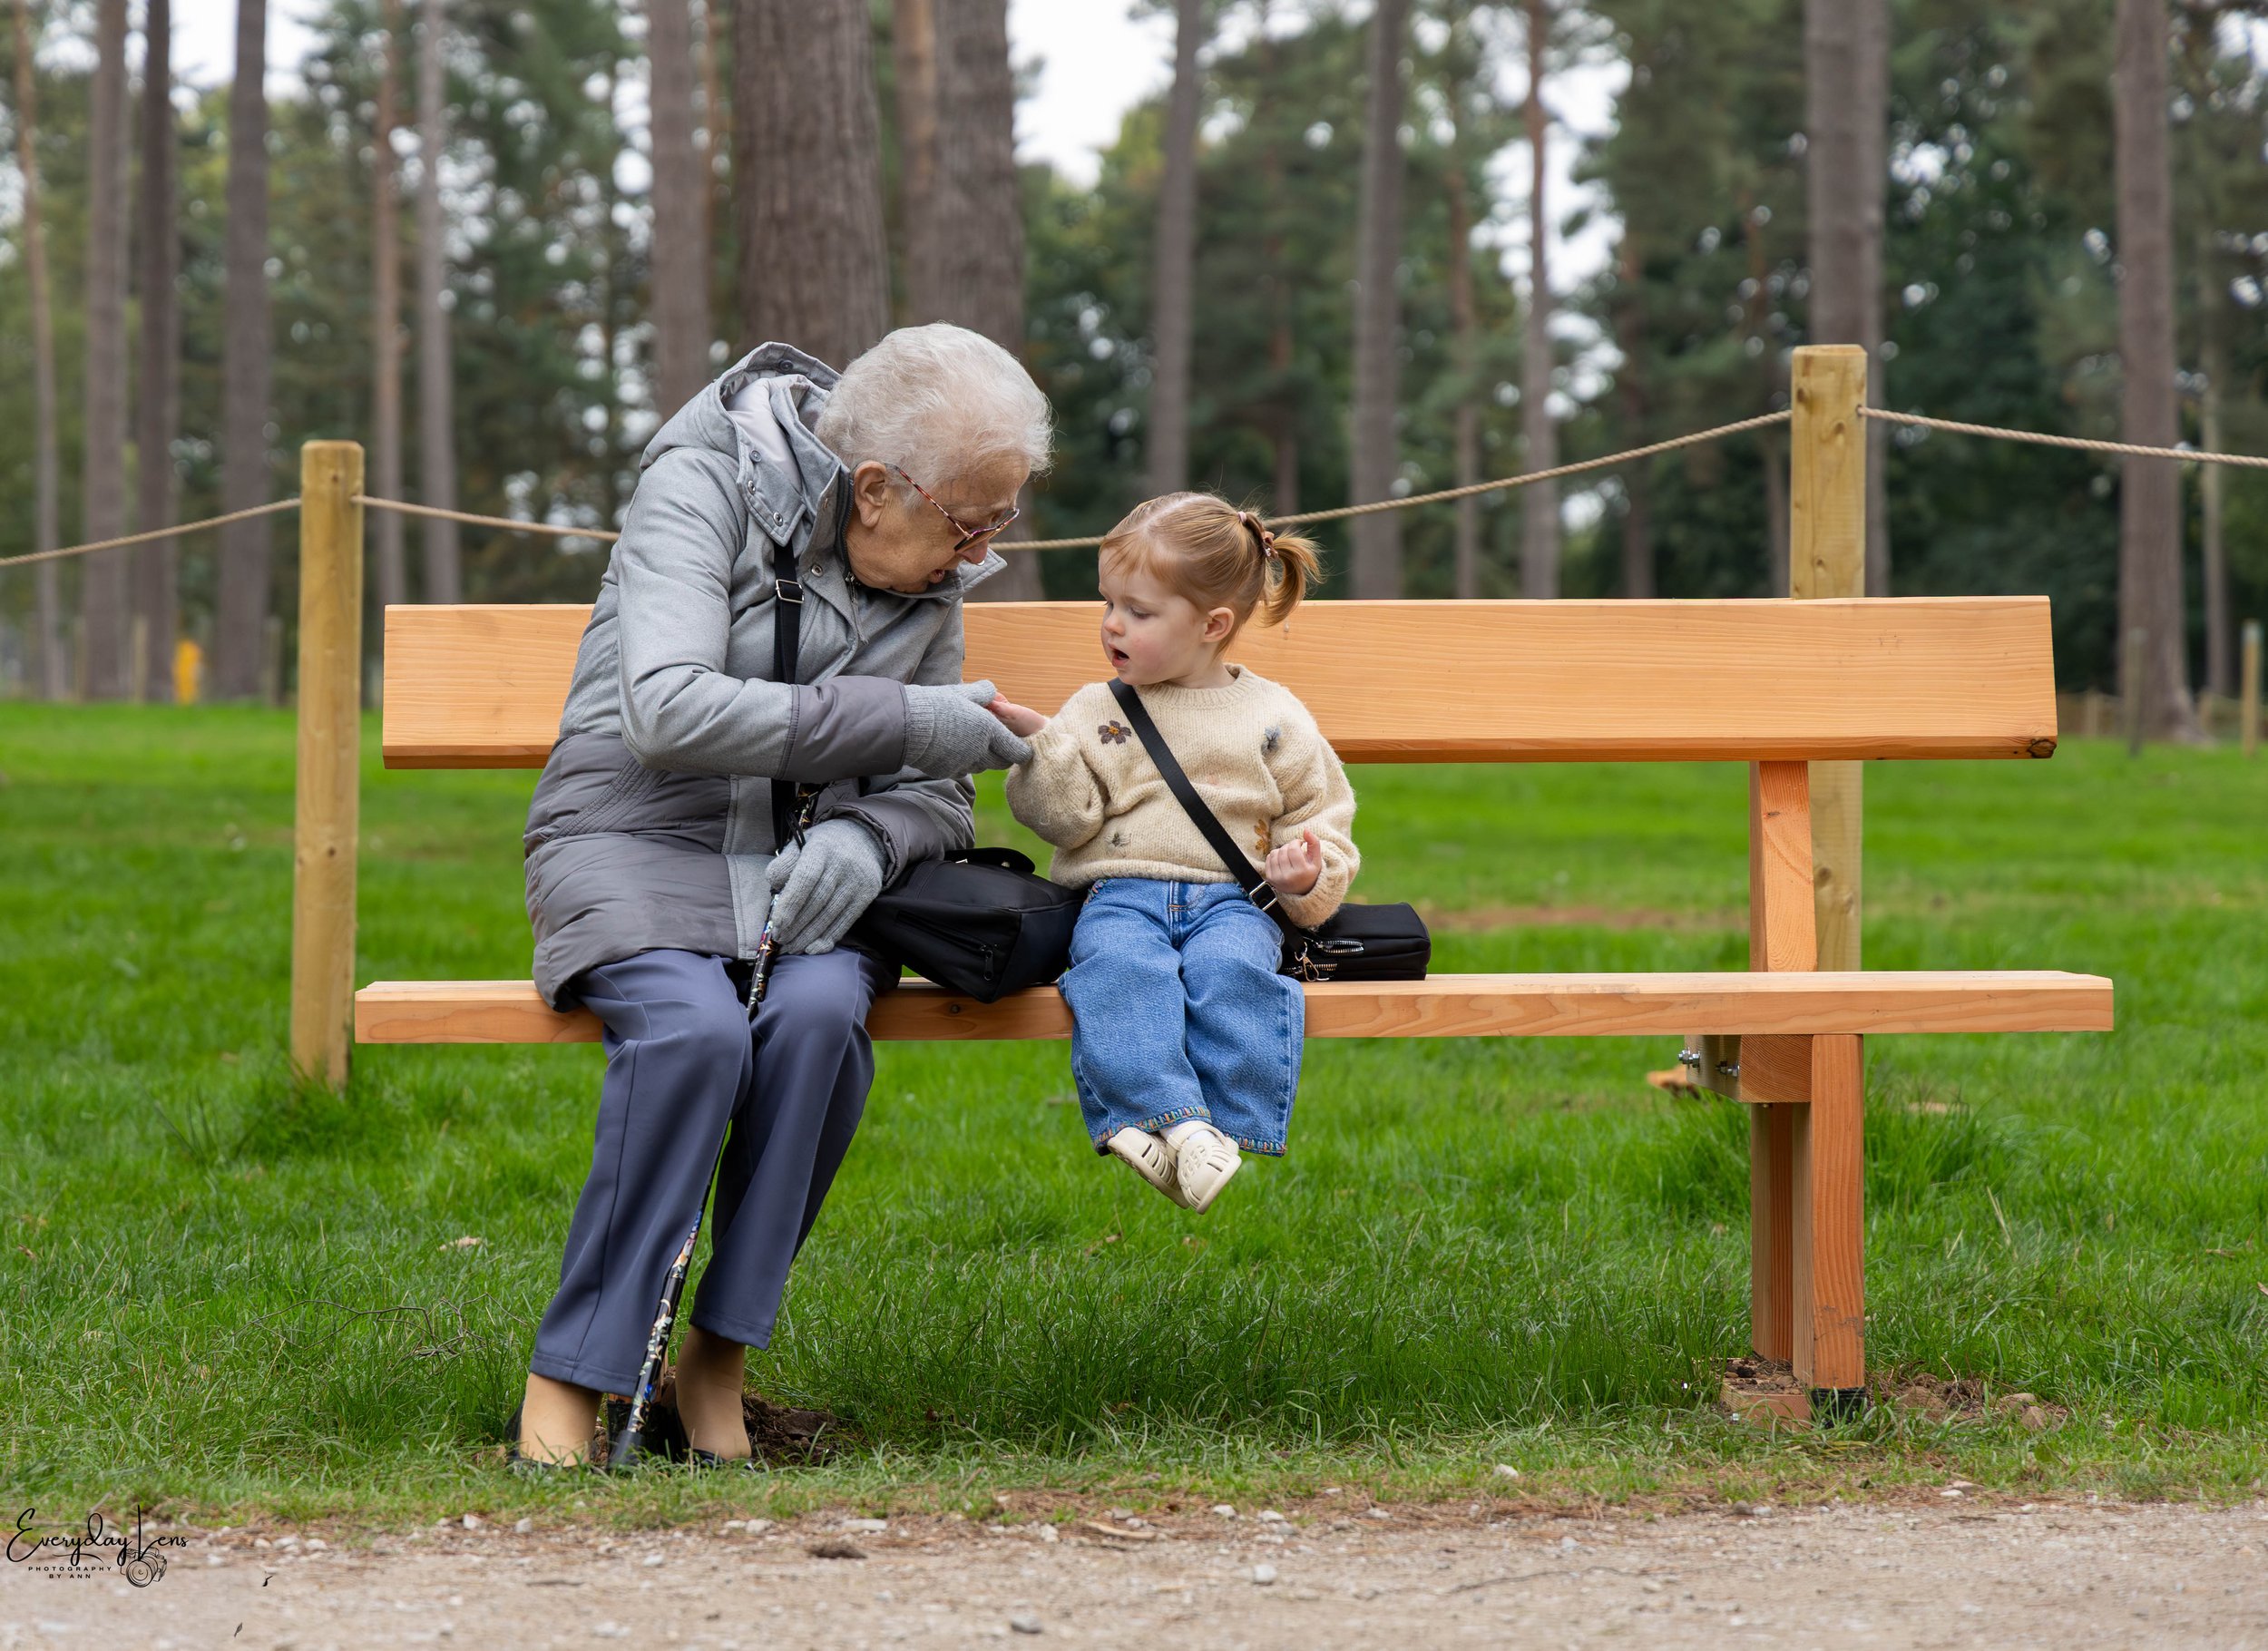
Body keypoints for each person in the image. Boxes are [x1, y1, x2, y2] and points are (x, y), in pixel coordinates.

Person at [512, 326, 1048, 1467]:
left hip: (815, 867)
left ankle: (717, 1354)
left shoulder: (932, 565)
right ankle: (576, 1370)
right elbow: (664, 709)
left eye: (998, 523)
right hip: (632, 834)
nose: (978, 554)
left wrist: (868, 830)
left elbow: (941, 796)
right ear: (872, 487)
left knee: (814, 1024)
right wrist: (901, 725)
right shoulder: (698, 481)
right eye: (969, 522)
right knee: (696, 1034)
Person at [987, 494, 1357, 1213]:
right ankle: (1182, 1128)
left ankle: (1211, 1127)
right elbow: (1065, 823)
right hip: (1120, 894)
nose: (1112, 625)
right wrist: (1042, 749)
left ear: (1212, 626)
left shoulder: (1275, 717)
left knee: (1233, 971)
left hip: (1232, 900)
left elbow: (1320, 819)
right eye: (1108, 604)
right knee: (1119, 972)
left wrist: (1307, 876)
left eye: (1140, 612)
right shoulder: (1096, 709)